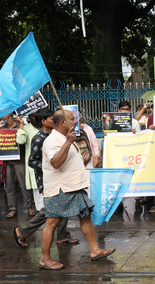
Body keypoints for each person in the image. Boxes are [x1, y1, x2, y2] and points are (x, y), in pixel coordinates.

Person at [38, 109, 115, 270]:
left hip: (74, 186)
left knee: (86, 215)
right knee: (52, 222)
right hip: (60, 188)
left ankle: (94, 250)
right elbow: (55, 163)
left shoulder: (66, 137)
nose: (75, 122)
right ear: (63, 122)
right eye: (72, 119)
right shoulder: (53, 140)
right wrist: (67, 142)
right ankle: (44, 258)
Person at [13, 108, 78, 248]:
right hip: (47, 179)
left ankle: (61, 236)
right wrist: (49, 165)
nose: (53, 121)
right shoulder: (39, 138)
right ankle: (22, 231)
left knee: (62, 204)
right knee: (50, 210)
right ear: (43, 121)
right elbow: (32, 161)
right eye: (50, 119)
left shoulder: (53, 136)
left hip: (58, 177)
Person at [0, 113, 35, 218]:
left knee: (24, 186)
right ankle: (12, 208)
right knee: (9, 186)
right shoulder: (2, 129)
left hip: (20, 160)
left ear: (9, 114)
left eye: (3, 113)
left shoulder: (21, 126)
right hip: (7, 162)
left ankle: (29, 206)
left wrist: (20, 125)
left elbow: (24, 141)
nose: (1, 116)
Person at [16, 112, 41, 217]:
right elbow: (20, 141)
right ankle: (41, 214)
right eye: (32, 115)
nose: (34, 117)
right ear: (29, 117)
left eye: (36, 115)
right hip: (34, 165)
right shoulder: (26, 128)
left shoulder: (47, 127)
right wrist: (21, 124)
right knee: (37, 192)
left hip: (48, 164)